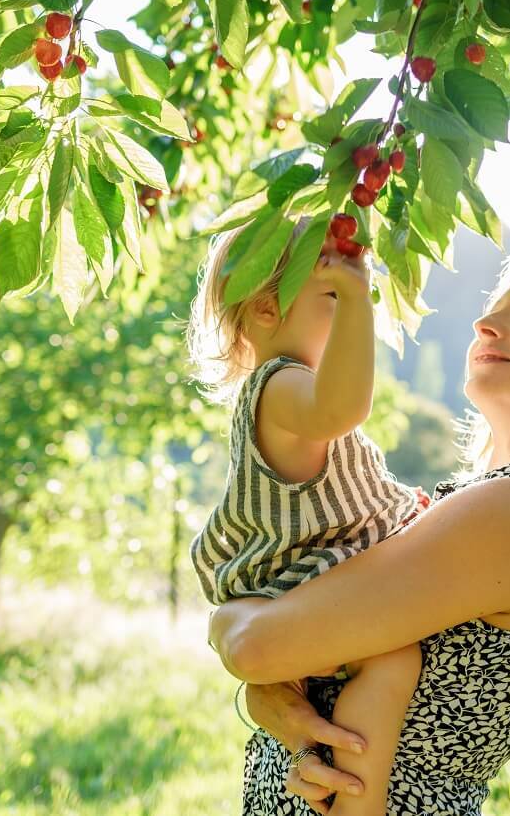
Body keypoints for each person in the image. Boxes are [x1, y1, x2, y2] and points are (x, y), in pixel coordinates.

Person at [208, 238, 510, 814]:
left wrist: (229, 624)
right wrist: (276, 702)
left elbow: (256, 646)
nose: (487, 323)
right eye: (493, 309)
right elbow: (287, 656)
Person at [185, 216, 436, 816]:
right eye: (331, 296)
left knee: (387, 658)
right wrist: (357, 296)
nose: (351, 305)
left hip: (315, 581)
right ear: (268, 310)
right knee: (393, 658)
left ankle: (317, 755)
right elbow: (343, 408)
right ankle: (357, 795)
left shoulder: (288, 389)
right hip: (304, 587)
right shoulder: (280, 387)